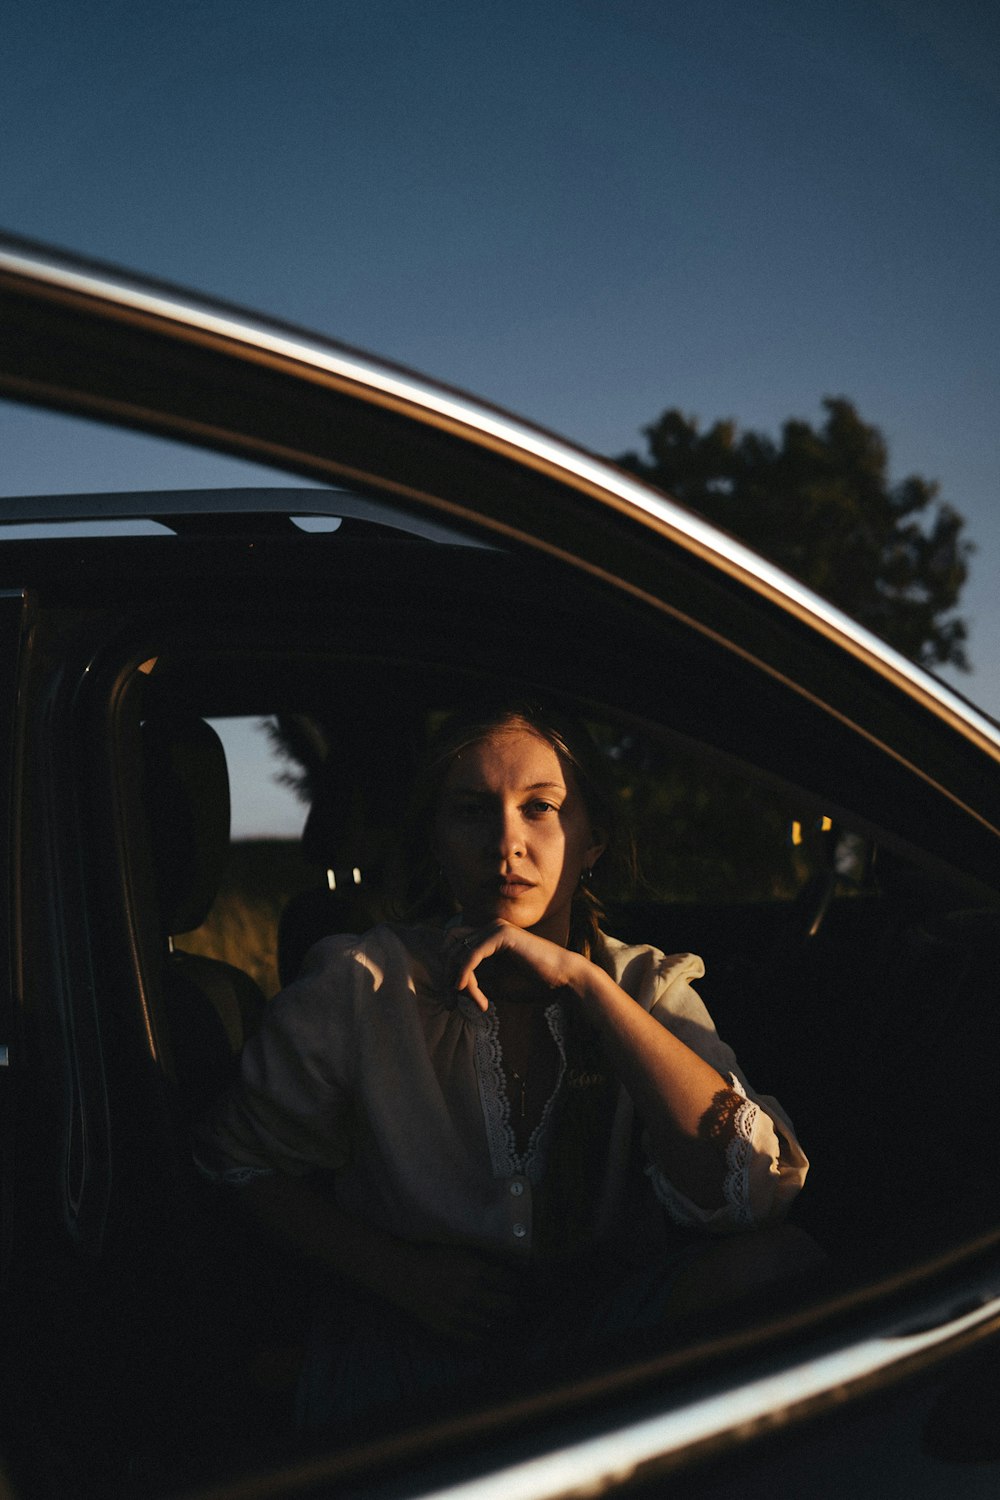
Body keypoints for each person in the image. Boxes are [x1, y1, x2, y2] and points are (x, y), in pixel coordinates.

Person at [194, 697, 809, 1432]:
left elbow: (753, 1193)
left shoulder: (646, 987)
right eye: (471, 811)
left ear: (591, 840)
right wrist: (399, 1274)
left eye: (540, 808)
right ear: (436, 839)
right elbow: (238, 1164)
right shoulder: (362, 987)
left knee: (779, 1267)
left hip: (603, 1341)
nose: (506, 842)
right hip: (409, 1341)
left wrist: (584, 985)